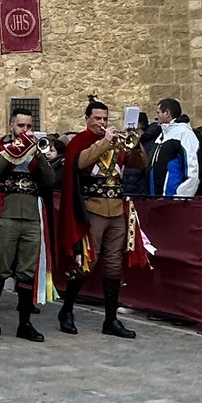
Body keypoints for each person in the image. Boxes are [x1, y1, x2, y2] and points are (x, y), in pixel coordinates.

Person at [56, 96, 150, 339]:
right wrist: (104, 142)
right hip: (93, 209)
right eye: (97, 118)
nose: (102, 122)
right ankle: (67, 310)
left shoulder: (117, 143)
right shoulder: (81, 141)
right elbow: (80, 163)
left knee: (113, 264)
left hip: (117, 210)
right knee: (86, 262)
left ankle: (111, 319)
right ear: (87, 119)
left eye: (105, 118)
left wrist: (135, 142)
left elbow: (139, 163)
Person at [0, 110, 56, 340]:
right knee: (1, 267)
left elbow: (48, 180)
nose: (25, 130)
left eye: (28, 126)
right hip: (7, 212)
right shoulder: (1, 146)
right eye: (20, 126)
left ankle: (24, 323)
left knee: (27, 270)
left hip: (32, 215)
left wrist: (40, 156)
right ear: (11, 125)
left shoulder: (37, 149)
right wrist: (17, 147)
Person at [151, 99, 199, 197]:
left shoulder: (184, 134)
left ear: (167, 113)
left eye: (158, 112)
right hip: (157, 199)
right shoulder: (162, 135)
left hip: (173, 200)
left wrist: (180, 196)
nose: (156, 117)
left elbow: (191, 169)